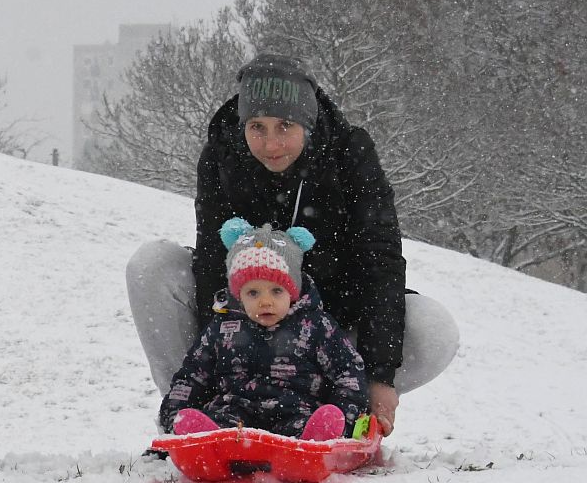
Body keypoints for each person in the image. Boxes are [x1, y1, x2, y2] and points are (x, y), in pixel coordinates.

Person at [127, 54, 459, 436]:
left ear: (308, 123)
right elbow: (213, 261)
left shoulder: (350, 155)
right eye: (257, 127)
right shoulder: (222, 156)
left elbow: (380, 262)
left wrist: (380, 375)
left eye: (285, 126)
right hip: (242, 332)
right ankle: (196, 418)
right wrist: (217, 356)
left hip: (326, 339)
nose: (271, 144)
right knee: (151, 265)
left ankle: (334, 413)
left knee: (434, 328)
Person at [162, 218, 368, 440]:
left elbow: (348, 372)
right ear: (238, 295)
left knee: (307, 428)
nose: (265, 302)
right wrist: (174, 414)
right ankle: (204, 439)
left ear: (293, 292)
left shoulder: (316, 326)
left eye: (276, 291)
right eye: (253, 293)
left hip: (296, 411)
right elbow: (193, 374)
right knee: (219, 427)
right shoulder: (223, 327)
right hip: (234, 414)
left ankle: (317, 439)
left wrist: (345, 417)